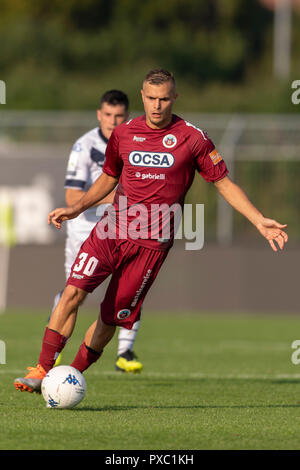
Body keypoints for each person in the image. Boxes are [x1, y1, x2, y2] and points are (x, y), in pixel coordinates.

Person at [14, 69, 288, 394]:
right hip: (110, 233)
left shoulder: (192, 138)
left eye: (164, 99)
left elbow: (223, 183)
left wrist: (258, 220)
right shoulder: (124, 133)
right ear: (142, 96)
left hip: (150, 247)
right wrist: (77, 208)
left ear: (174, 98)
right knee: (72, 291)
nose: (157, 106)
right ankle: (42, 368)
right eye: (151, 98)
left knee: (109, 319)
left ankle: (68, 378)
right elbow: (108, 178)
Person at [51, 90, 142, 373]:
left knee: (128, 290)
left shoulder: (136, 141)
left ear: (127, 116)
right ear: (99, 114)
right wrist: (115, 196)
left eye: (119, 116)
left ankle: (125, 351)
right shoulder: (84, 146)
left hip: (125, 228)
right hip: (86, 230)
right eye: (108, 115)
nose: (113, 122)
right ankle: (52, 353)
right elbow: (71, 198)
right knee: (73, 293)